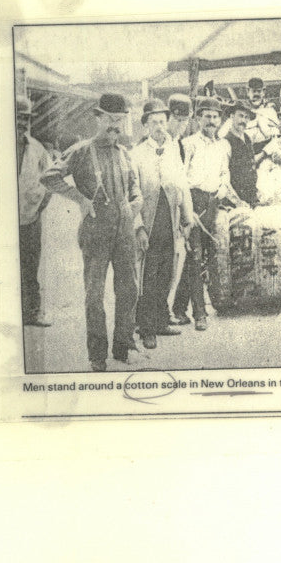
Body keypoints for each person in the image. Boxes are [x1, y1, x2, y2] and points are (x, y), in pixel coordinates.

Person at [41, 93, 143, 371]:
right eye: (110, 119)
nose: (115, 126)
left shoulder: (124, 154)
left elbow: (135, 189)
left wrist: (134, 205)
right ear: (98, 118)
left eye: (120, 120)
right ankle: (97, 355)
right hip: (96, 230)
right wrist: (80, 199)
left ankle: (124, 347)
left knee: (129, 290)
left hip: (124, 230)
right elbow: (49, 176)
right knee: (94, 294)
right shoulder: (81, 150)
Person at [130, 99, 196, 349]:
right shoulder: (136, 154)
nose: (159, 126)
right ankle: (146, 328)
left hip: (170, 219)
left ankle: (160, 321)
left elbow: (183, 185)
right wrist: (138, 227)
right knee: (148, 275)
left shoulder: (173, 150)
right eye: (154, 122)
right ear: (146, 125)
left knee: (167, 272)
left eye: (162, 121)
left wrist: (187, 217)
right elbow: (131, 193)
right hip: (149, 220)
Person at [173, 96, 242, 330]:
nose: (211, 121)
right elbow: (181, 178)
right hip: (193, 200)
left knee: (204, 257)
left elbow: (225, 175)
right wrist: (185, 211)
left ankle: (178, 309)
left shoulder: (224, 145)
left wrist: (224, 191)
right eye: (206, 117)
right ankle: (199, 313)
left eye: (214, 117)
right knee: (194, 256)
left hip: (214, 201)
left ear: (220, 119)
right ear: (198, 119)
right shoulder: (188, 144)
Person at [16, 95, 53, 327]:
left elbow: (51, 180)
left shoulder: (37, 149)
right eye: (19, 118)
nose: (23, 123)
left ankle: (33, 311)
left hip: (30, 218)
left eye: (27, 119)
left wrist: (40, 208)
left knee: (30, 267)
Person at [226, 101, 261, 206]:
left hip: (252, 196)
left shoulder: (247, 138)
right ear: (232, 116)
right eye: (240, 116)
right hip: (237, 200)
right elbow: (224, 179)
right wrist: (238, 202)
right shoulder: (226, 142)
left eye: (246, 117)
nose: (243, 121)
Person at [243, 77, 281, 154]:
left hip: (267, 150)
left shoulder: (269, 110)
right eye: (254, 91)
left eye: (259, 91)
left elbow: (276, 132)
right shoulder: (242, 110)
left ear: (263, 92)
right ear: (248, 92)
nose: (256, 94)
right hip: (246, 150)